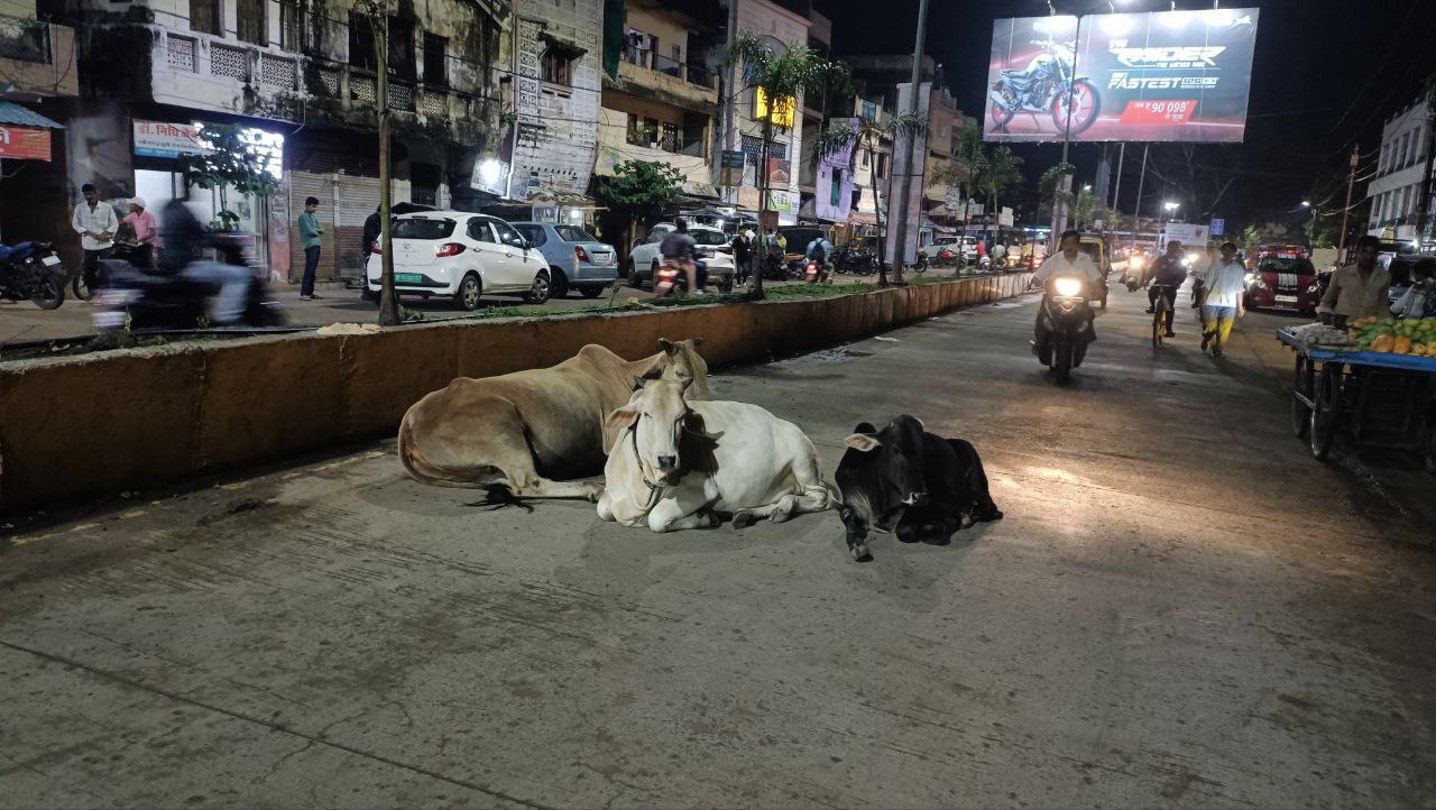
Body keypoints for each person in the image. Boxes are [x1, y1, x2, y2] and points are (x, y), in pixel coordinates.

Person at [156, 198, 253, 325]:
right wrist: (226, 242)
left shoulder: (169, 210)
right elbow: (201, 235)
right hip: (187, 266)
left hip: (175, 265)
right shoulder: (183, 213)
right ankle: (228, 320)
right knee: (240, 275)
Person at [1032, 229, 1103, 342]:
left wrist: (1100, 288)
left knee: (1089, 314)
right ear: (1062, 245)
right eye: (1066, 243)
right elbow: (1038, 276)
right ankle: (1040, 342)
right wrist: (1036, 281)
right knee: (1043, 313)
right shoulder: (1054, 260)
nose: (1069, 247)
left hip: (1080, 299)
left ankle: (1085, 339)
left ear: (1078, 245)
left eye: (1073, 243)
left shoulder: (1085, 260)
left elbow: (1097, 278)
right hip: (1054, 298)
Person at [1319, 235, 1391, 326]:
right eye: (1364, 252)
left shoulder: (1384, 276)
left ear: (1377, 255)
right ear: (1357, 253)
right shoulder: (1341, 274)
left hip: (1368, 329)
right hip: (1343, 328)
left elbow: (1383, 306)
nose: (1368, 257)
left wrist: (1388, 326)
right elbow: (1327, 301)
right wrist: (1323, 321)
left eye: (1372, 253)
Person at [1201, 241, 1247, 357]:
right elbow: (1207, 284)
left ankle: (1218, 350)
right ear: (1222, 252)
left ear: (1234, 253)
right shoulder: (1214, 266)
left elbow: (1239, 289)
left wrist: (1240, 306)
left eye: (1231, 251)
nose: (1228, 253)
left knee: (1224, 330)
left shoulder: (1238, 269)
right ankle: (1207, 337)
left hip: (1230, 305)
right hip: (1212, 302)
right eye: (1226, 250)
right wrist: (1203, 300)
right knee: (1211, 327)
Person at [72, 183, 118, 295]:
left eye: (91, 194)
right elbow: (75, 224)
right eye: (86, 194)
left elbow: (114, 223)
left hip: (105, 243)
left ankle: (106, 293)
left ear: (96, 194)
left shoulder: (107, 207)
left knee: (106, 270)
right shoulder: (80, 208)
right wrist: (88, 232)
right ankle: (92, 293)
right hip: (89, 244)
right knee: (88, 270)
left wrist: (105, 233)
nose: (88, 196)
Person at [1145, 240, 1187, 337]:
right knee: (1151, 292)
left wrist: (1178, 283)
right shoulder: (1160, 259)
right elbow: (1152, 270)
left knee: (1169, 308)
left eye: (1175, 248)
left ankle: (1169, 330)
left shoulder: (1179, 262)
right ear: (1168, 248)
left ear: (1177, 250)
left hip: (1171, 285)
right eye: (1171, 248)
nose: (1172, 250)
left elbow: (1183, 275)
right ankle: (1152, 307)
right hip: (1159, 282)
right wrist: (1147, 279)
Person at [656, 217, 699, 297]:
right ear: (684, 227)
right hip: (677, 261)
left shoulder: (669, 236)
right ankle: (691, 290)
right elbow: (687, 252)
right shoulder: (685, 238)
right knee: (692, 268)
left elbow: (661, 249)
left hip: (666, 260)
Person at [122, 197, 161, 268]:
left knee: (152, 264)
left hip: (151, 245)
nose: (130, 206)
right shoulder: (133, 215)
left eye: (132, 204)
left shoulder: (149, 216)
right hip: (141, 245)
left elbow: (152, 232)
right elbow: (123, 222)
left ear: (138, 206)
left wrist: (138, 240)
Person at [298, 196, 324, 300]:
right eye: (313, 206)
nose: (315, 209)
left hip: (316, 245)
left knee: (313, 270)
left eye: (316, 207)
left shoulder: (313, 217)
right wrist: (317, 231)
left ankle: (310, 293)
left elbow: (322, 228)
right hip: (310, 245)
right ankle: (304, 293)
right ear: (307, 205)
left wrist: (317, 230)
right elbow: (309, 231)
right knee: (309, 269)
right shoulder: (303, 217)